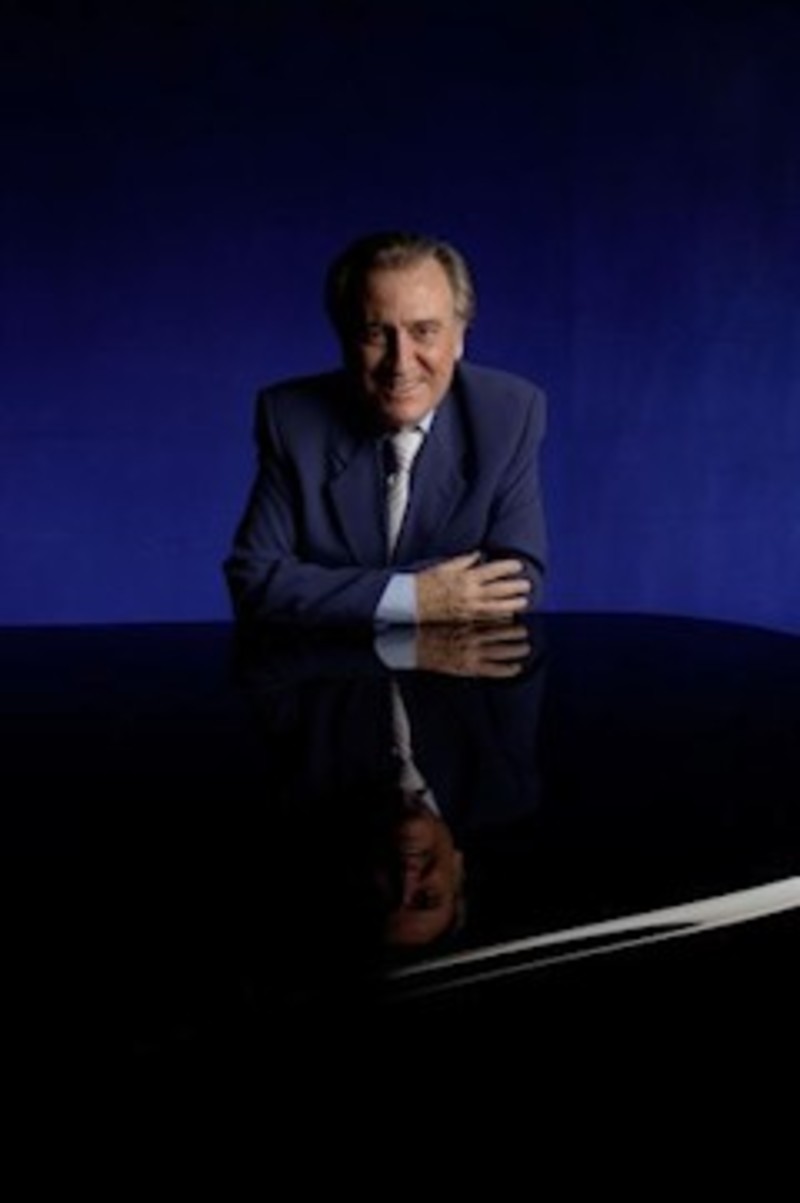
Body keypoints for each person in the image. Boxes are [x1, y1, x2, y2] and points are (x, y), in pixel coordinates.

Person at [224, 229, 547, 626]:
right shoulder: (292, 419)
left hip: (459, 666)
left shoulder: (508, 413)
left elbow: (517, 581)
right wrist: (413, 598)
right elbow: (254, 583)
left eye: (424, 331)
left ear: (460, 337)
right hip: (326, 665)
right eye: (376, 334)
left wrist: (339, 591)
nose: (401, 363)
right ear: (345, 340)